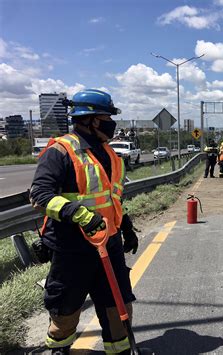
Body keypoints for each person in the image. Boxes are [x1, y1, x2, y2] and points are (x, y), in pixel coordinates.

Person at [29, 89, 139, 354]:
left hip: (108, 245)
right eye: (106, 117)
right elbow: (40, 195)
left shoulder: (109, 155)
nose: (112, 124)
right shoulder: (61, 151)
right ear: (90, 120)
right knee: (65, 309)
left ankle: (120, 350)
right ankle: (60, 349)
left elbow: (112, 199)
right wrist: (80, 215)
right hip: (72, 249)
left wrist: (125, 227)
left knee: (118, 306)